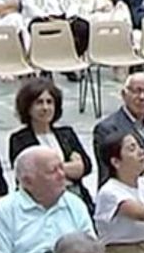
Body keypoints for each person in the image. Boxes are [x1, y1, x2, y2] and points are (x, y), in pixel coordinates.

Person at [7, 80, 91, 212]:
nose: (45, 107)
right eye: (39, 102)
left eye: (49, 102)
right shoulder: (19, 139)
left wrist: (52, 170)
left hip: (74, 197)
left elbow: (86, 166)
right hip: (40, 203)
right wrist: (68, 168)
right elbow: (29, 176)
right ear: (28, 107)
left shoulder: (66, 133)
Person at [92, 74, 144, 179]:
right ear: (123, 95)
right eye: (136, 91)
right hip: (128, 188)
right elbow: (110, 173)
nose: (142, 97)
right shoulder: (107, 129)